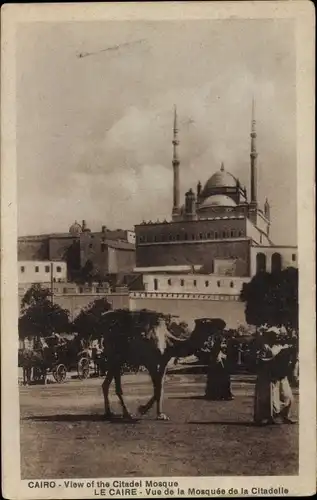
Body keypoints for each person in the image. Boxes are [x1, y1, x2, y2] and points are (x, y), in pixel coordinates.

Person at [254, 327, 296, 425]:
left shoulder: (281, 346)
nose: (277, 337)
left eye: (278, 335)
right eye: (274, 336)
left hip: (281, 374)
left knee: (288, 396)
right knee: (270, 398)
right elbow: (262, 360)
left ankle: (284, 416)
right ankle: (270, 418)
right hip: (271, 375)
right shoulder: (266, 347)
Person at [205, 335, 233, 401]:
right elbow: (218, 359)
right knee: (223, 381)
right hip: (219, 367)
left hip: (218, 367)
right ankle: (222, 395)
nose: (224, 344)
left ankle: (218, 394)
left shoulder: (220, 350)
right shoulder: (217, 350)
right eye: (223, 342)